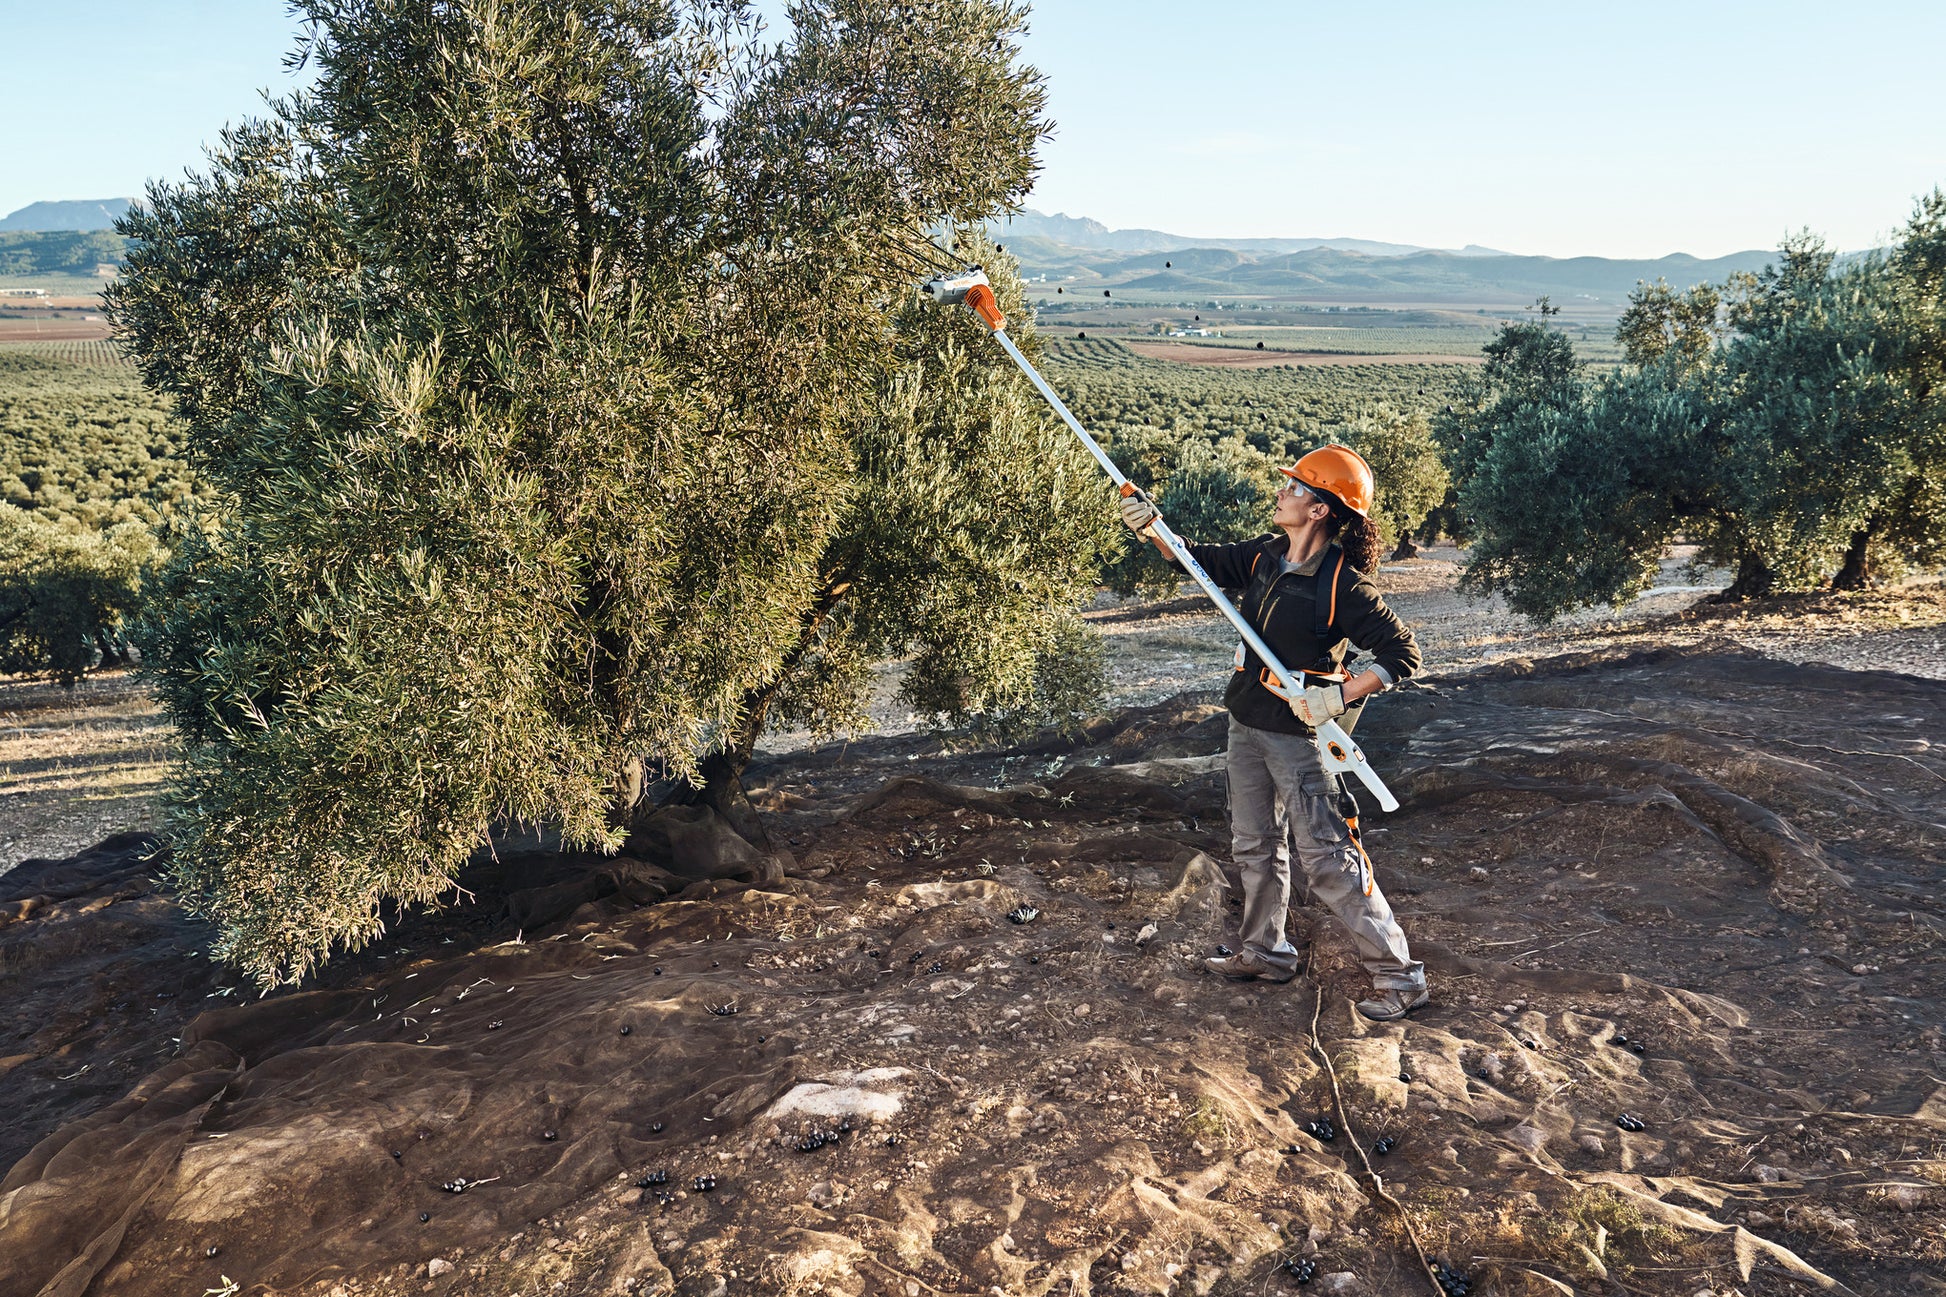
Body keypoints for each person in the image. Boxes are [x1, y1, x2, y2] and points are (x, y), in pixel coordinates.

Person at [1119, 445, 1429, 1021]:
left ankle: (1400, 977)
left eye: (1294, 488)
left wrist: (1338, 695)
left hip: (1299, 740)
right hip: (1246, 723)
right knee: (1254, 845)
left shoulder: (1343, 587)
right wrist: (1152, 527)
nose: (1282, 493)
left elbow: (1402, 654)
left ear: (1320, 510)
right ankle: (1265, 952)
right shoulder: (1264, 555)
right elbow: (1194, 561)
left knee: (1328, 857)